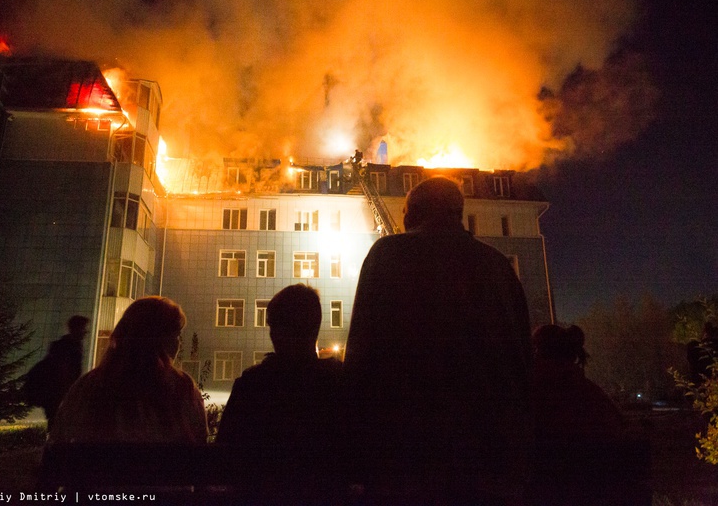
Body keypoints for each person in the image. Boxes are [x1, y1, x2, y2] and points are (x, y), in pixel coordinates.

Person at [343, 176, 533, 503]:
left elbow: (361, 354)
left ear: (410, 215)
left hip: (404, 458)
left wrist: (355, 454)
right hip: (487, 460)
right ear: (458, 213)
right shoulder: (498, 266)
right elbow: (522, 361)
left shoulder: (386, 256)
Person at [49, 296, 207, 444]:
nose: (178, 343)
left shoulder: (86, 388)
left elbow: (57, 444)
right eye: (177, 335)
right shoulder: (182, 389)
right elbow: (198, 447)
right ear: (159, 338)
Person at [216, 284, 342, 453]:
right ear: (315, 327)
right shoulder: (339, 382)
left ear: (276, 331)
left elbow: (224, 456)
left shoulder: (253, 386)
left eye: (272, 326)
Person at [532, 324, 623, 443]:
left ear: (541, 353)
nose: (533, 356)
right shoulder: (591, 393)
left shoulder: (538, 398)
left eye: (535, 349)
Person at [30, 315, 89, 431]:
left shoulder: (71, 346)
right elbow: (64, 376)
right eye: (83, 328)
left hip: (61, 397)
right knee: (58, 427)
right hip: (59, 397)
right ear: (76, 328)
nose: (85, 332)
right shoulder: (66, 348)